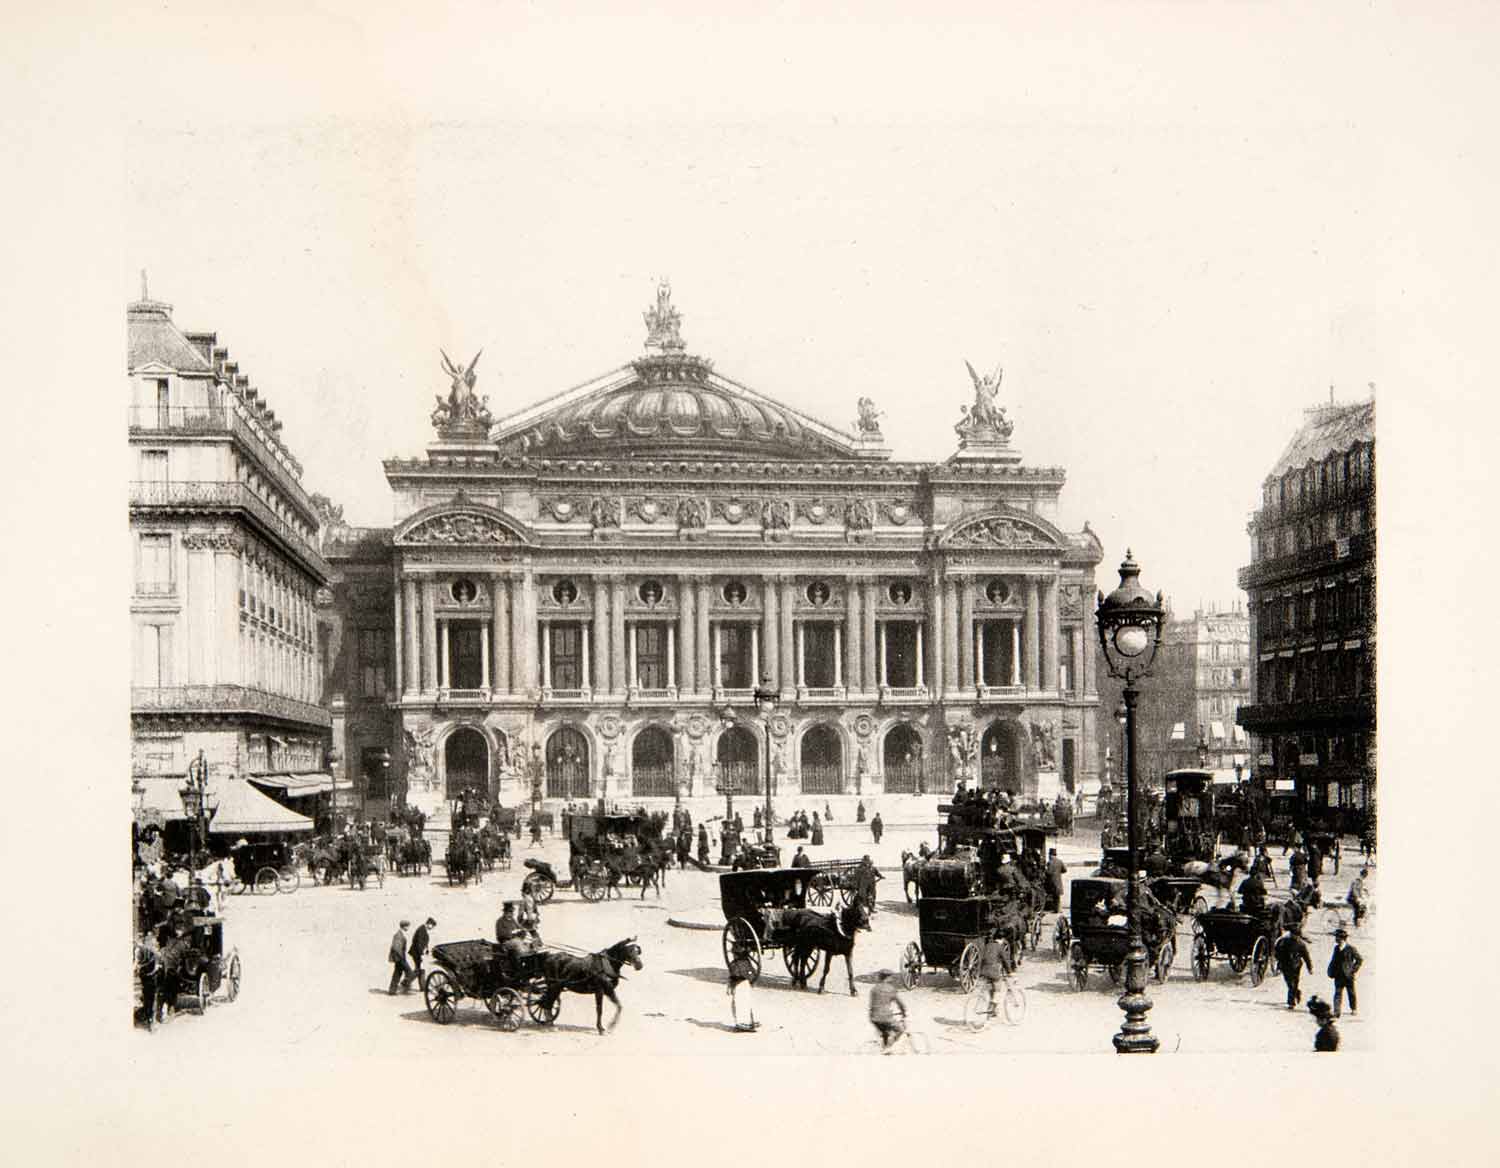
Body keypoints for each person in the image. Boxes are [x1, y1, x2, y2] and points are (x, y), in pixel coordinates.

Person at [1274, 920, 1313, 1009]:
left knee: (1294, 983)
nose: (1294, 936)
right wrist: (1278, 964)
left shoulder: (1301, 944)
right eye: (1293, 934)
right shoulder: (1283, 941)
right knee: (1289, 983)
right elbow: (1277, 953)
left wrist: (1309, 968)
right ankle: (1297, 992)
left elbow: (1306, 956)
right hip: (1285, 965)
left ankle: (1291, 1003)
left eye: (1296, 935)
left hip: (1296, 966)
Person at [1327, 927, 1363, 1017]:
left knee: (1351, 993)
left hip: (1348, 976)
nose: (1335, 939)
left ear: (1342, 939)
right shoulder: (1336, 948)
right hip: (1338, 975)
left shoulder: (1351, 948)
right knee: (1337, 993)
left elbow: (1359, 960)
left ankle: (1353, 1008)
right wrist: (1330, 970)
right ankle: (1336, 1011)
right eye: (1336, 937)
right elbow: (1333, 960)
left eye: (1337, 937)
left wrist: (1353, 970)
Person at [868, 970, 907, 1051]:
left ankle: (884, 1048)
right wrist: (903, 1012)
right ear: (888, 978)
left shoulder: (874, 989)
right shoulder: (891, 989)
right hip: (885, 1017)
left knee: (885, 1032)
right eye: (891, 977)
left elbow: (873, 1004)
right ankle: (888, 1047)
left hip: (873, 1018)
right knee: (900, 1030)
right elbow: (900, 1004)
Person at [727, 941, 758, 1032]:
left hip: (739, 985)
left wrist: (729, 986)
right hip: (745, 985)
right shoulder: (746, 962)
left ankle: (741, 1022)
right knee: (745, 1003)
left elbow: (732, 976)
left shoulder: (734, 964)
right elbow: (752, 974)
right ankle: (747, 1021)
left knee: (739, 1003)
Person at [135, 932, 161, 1030]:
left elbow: (139, 964)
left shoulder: (142, 949)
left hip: (146, 977)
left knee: (147, 998)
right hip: (151, 977)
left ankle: (149, 1019)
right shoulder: (153, 952)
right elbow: (156, 964)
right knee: (151, 998)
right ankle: (151, 1021)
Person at [406, 917, 435, 990]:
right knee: (419, 969)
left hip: (418, 952)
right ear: (429, 924)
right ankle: (406, 982)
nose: (432, 928)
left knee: (421, 969)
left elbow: (423, 943)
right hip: (417, 953)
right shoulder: (421, 930)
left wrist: (427, 949)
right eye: (432, 926)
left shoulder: (423, 929)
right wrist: (421, 954)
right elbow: (419, 944)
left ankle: (423, 987)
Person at [388, 920, 413, 994]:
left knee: (397, 974)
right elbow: (396, 947)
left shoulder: (400, 934)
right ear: (404, 926)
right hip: (399, 958)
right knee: (409, 972)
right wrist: (401, 957)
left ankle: (392, 991)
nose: (408, 928)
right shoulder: (398, 935)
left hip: (399, 957)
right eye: (408, 926)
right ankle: (404, 985)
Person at [1044, 848, 1067, 913]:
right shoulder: (1060, 861)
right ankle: (1058, 909)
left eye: (1049, 855)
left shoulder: (1050, 862)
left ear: (1050, 855)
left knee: (1054, 896)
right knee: (1057, 896)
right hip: (1058, 881)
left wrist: (1045, 871)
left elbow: (1049, 872)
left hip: (1052, 882)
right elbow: (1065, 870)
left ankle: (1056, 909)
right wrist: (1058, 872)